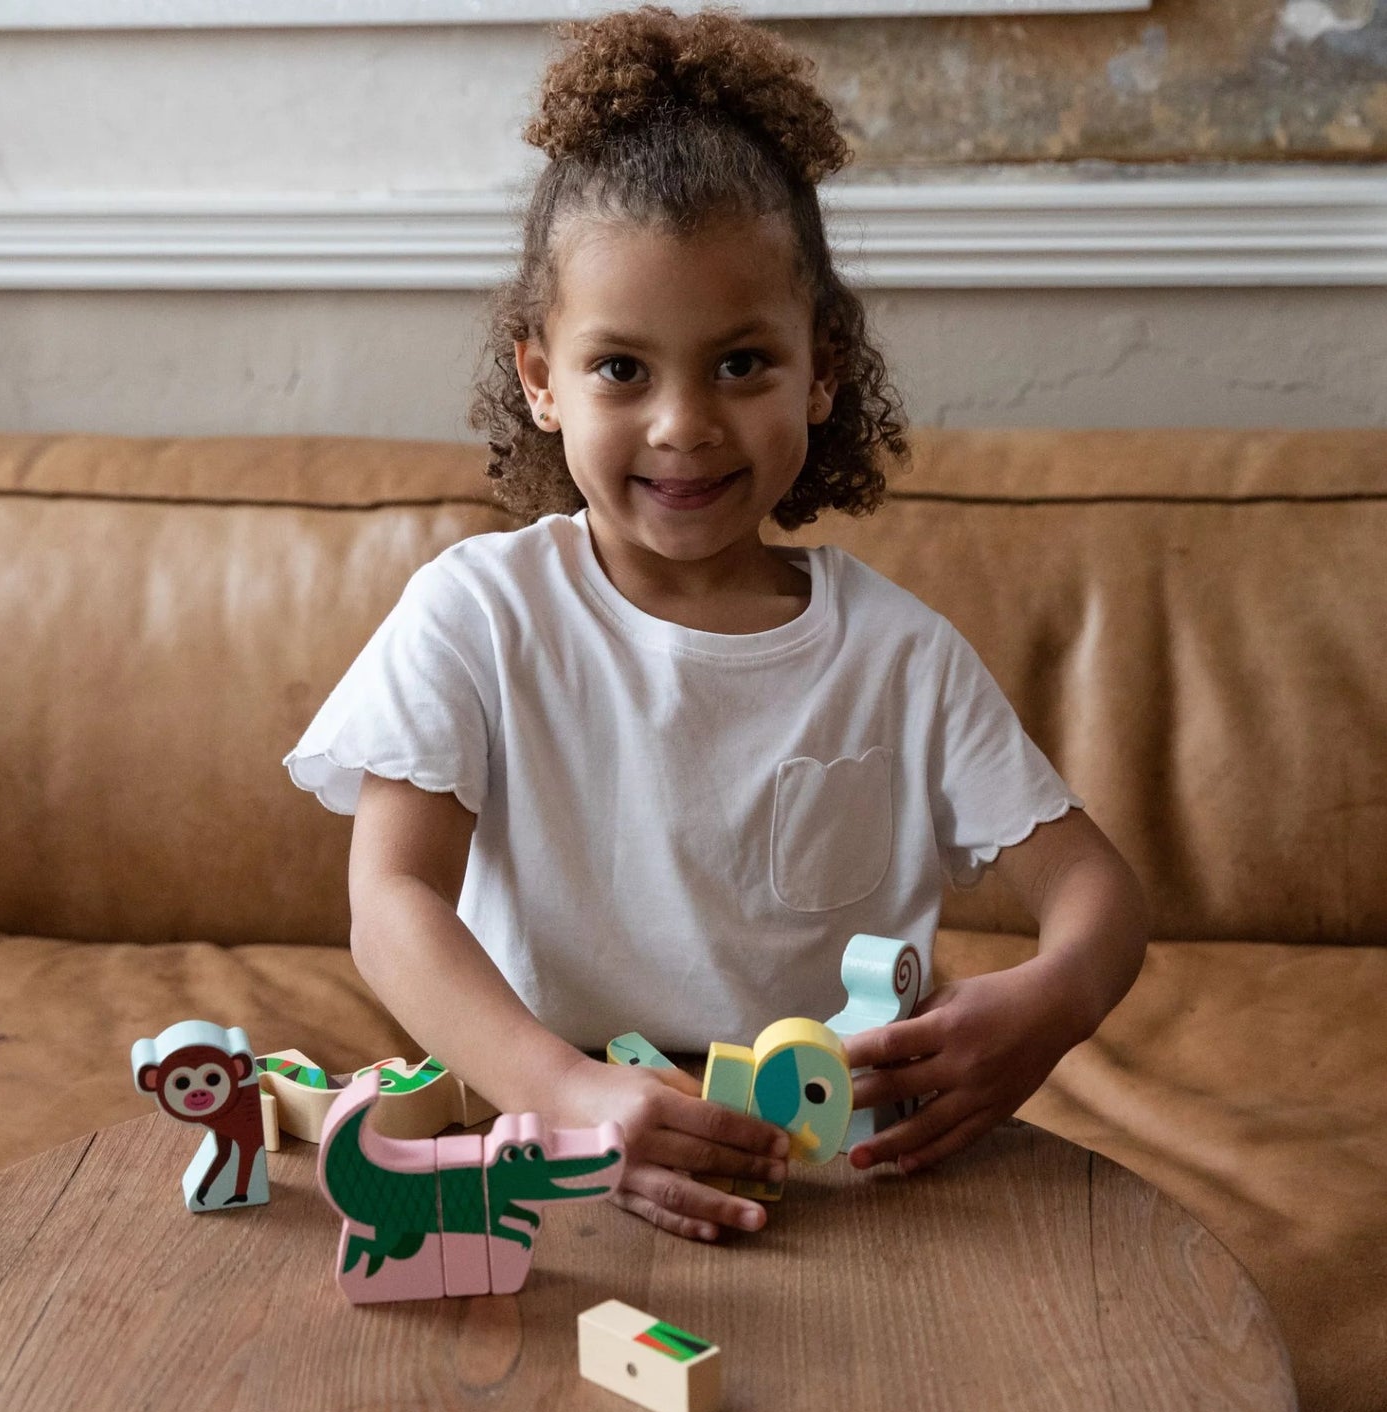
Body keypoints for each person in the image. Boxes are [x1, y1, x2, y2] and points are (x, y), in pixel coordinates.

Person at [285, 5, 1147, 1244]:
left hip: (834, 1193)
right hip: (558, 1160)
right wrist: (567, 1090)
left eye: (740, 362)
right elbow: (390, 901)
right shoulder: (477, 615)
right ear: (540, 378)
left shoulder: (896, 657)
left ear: (823, 366)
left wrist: (1052, 998)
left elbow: (1096, 894)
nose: (682, 423)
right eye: (621, 368)